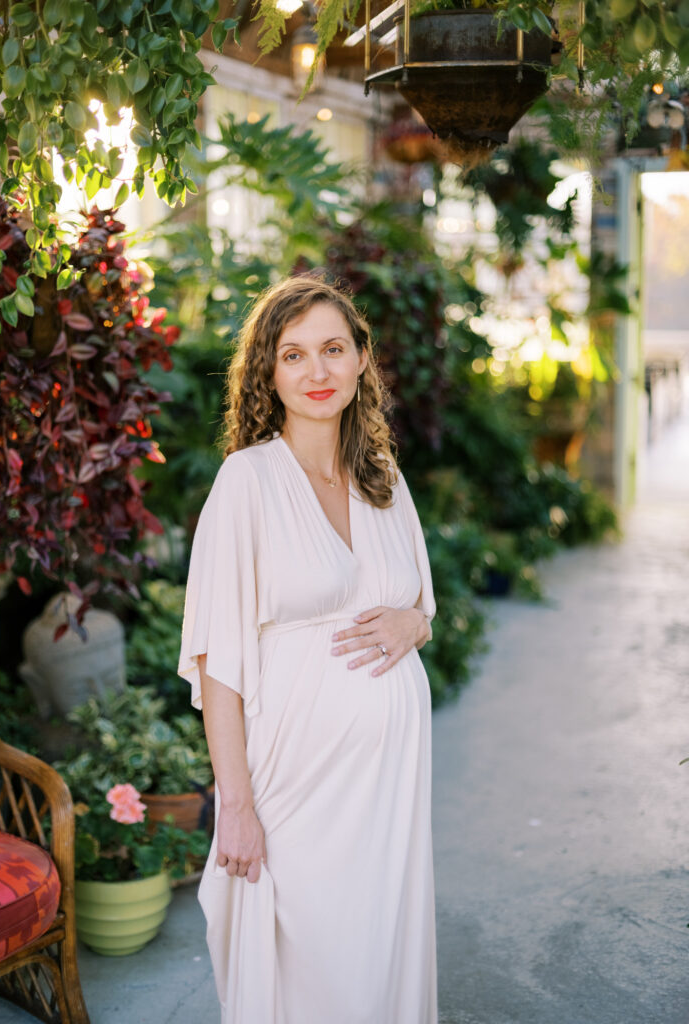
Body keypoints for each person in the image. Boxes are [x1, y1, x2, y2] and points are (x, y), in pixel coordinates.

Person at [178, 276, 437, 1024]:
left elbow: (421, 603)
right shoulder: (247, 483)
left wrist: (412, 626)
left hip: (389, 785)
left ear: (362, 361)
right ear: (269, 373)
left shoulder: (383, 479)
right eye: (294, 355)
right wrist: (237, 806)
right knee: (309, 963)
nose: (317, 373)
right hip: (294, 776)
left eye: (333, 350)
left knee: (378, 950)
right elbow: (217, 665)